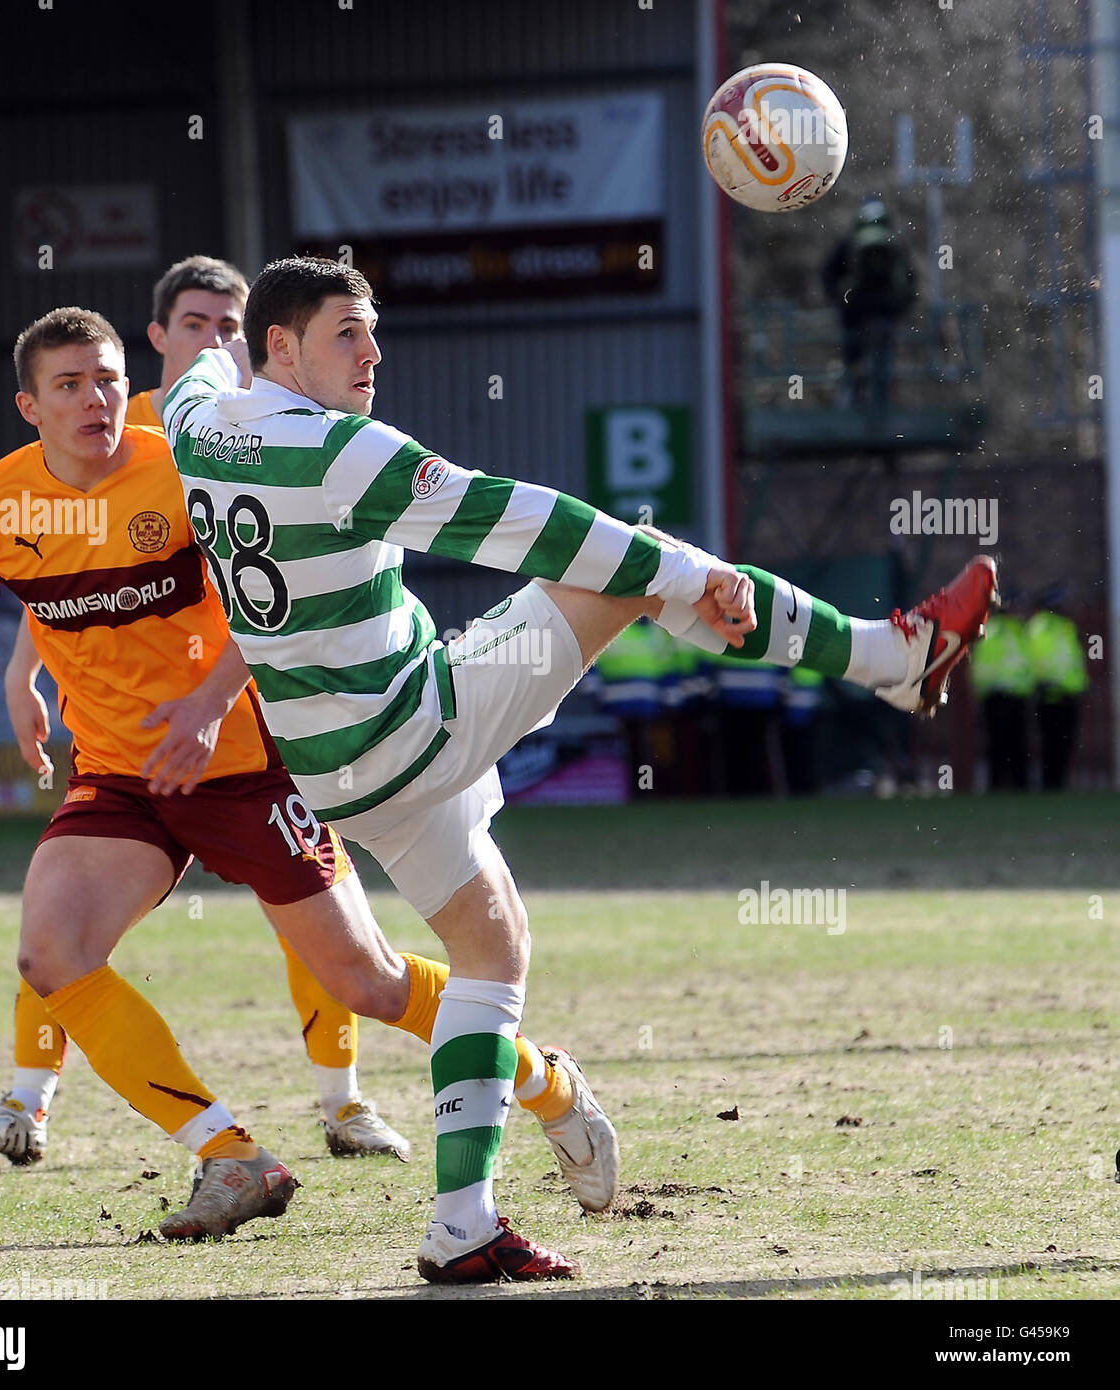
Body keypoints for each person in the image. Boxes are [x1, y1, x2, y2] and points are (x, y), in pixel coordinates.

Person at [162, 254, 998, 1281]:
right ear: (281, 347)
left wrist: (203, 354)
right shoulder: (338, 451)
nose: (373, 349)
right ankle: (892, 660)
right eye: (346, 330)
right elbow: (529, 524)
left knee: (490, 948)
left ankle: (463, 1220)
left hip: (333, 768)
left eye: (374, 326)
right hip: (415, 720)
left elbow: (192, 376)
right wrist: (690, 571)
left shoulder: (200, 423)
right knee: (632, 562)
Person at [0, 307, 612, 1271]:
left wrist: (205, 705)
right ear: (29, 406)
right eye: (69, 385)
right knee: (51, 953)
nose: (95, 398)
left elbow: (278, 584)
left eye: (109, 378)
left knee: (362, 980)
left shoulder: (181, 472)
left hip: (248, 762)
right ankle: (232, 1157)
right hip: (124, 775)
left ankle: (540, 1080)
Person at [0, 256, 411, 1166]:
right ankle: (29, 1098)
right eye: (199, 325)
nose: (219, 343)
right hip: (127, 742)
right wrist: (17, 670)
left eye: (235, 328)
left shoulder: (248, 438)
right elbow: (61, 566)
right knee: (58, 914)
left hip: (254, 727)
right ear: (158, 338)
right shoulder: (120, 428)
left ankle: (344, 1103)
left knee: (318, 936)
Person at [822, 197, 917, 416]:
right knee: (868, 360)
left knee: (865, 361)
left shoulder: (858, 244)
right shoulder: (885, 244)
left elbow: (827, 275)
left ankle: (862, 398)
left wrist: (841, 299)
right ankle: (867, 398)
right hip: (871, 313)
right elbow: (909, 282)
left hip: (867, 313)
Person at [971, 599, 1036, 791]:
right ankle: (1020, 785)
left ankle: (996, 785)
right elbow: (1027, 663)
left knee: (996, 744)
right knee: (1017, 744)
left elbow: (980, 666)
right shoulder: (1017, 632)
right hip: (1015, 694)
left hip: (994, 695)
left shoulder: (989, 631)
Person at [1027, 587, 1088, 790]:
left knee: (1063, 744)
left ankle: (1057, 785)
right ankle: (1050, 785)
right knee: (1052, 744)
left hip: (1067, 695)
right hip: (1049, 696)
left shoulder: (1065, 627)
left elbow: (1072, 660)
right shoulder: (1040, 627)